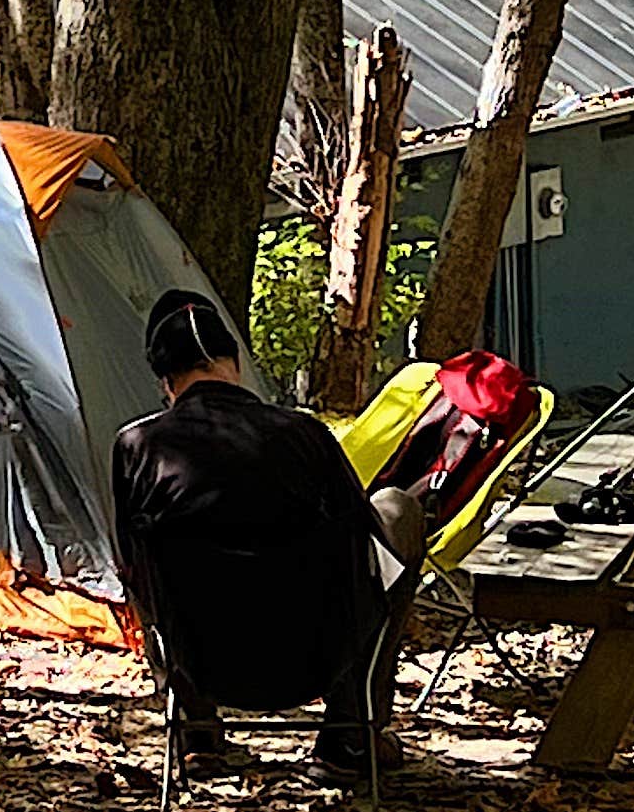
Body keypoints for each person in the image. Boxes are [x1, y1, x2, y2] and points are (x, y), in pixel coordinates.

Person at [110, 287, 426, 785]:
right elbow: (362, 539)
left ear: (166, 383)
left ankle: (195, 734)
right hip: (316, 655)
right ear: (233, 363)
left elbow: (132, 566)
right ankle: (350, 730)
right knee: (395, 512)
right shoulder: (306, 435)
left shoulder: (137, 448)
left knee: (140, 558)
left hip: (204, 658)